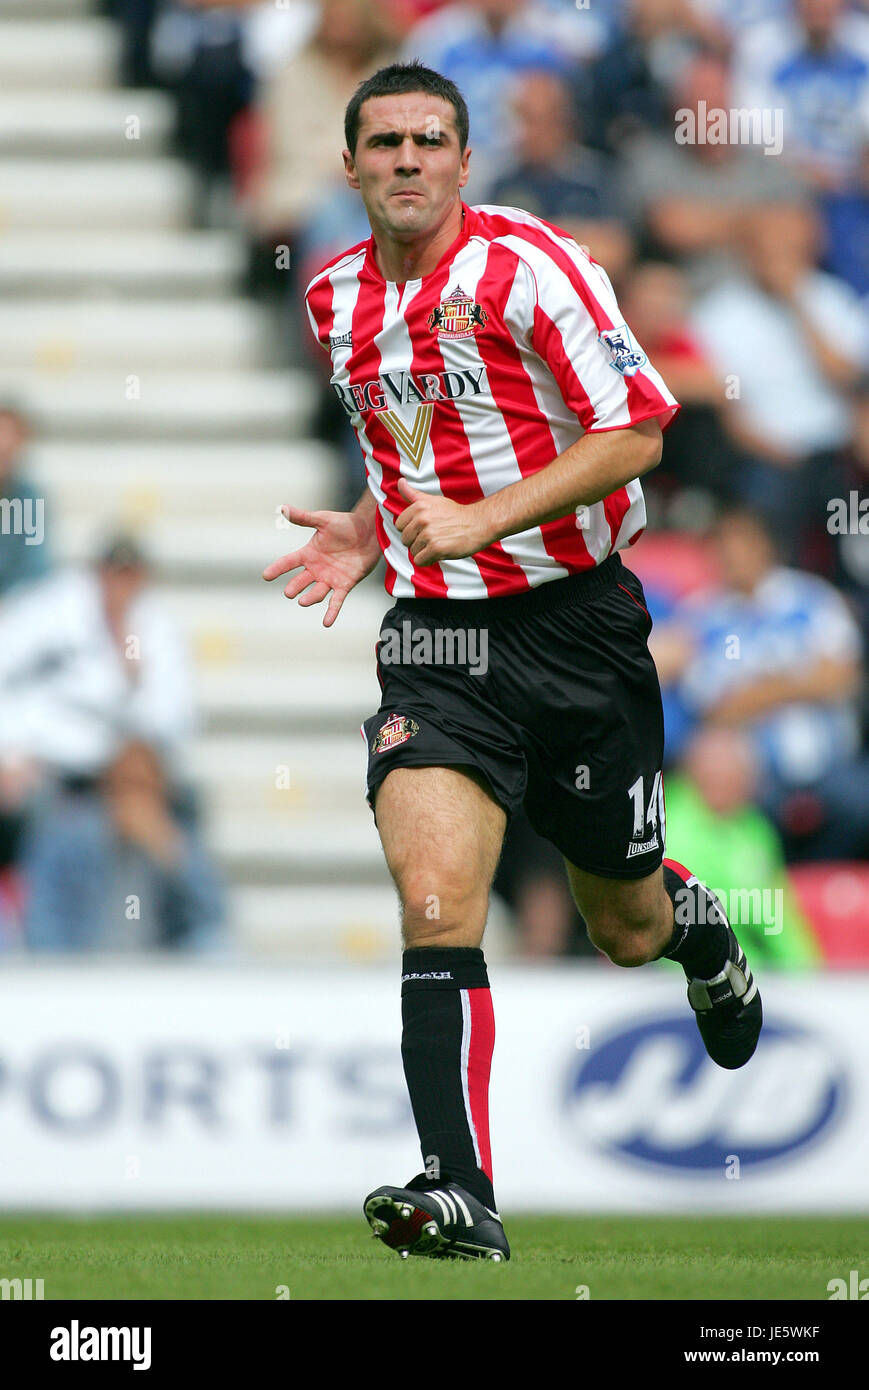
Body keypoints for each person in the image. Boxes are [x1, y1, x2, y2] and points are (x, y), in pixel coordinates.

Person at [263, 60, 763, 1263]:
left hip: (578, 625)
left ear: (463, 158)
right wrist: (373, 527)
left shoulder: (528, 263)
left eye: (427, 139)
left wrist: (483, 522)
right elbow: (414, 448)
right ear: (348, 167)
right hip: (436, 637)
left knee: (621, 926)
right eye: (380, 142)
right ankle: (460, 1189)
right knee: (434, 898)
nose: (404, 160)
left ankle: (697, 935)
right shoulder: (332, 297)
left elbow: (637, 428)